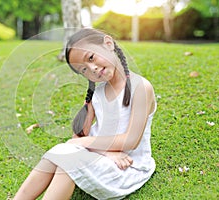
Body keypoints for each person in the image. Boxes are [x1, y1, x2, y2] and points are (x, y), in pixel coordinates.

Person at [13, 28, 157, 200]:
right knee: (61, 154)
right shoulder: (98, 94)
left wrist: (83, 142)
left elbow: (130, 141)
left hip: (129, 166)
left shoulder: (141, 87)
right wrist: (106, 151)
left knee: (68, 161)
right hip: (105, 156)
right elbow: (77, 139)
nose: (92, 69)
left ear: (108, 44)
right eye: (84, 70)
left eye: (91, 57)